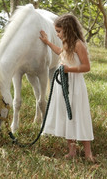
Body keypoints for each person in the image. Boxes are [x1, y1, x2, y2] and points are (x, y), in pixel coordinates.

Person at [39, 14, 94, 161]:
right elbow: (60, 52)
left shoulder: (78, 44)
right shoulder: (65, 44)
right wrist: (47, 42)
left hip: (75, 85)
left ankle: (88, 153)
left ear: (67, 30)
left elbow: (86, 66)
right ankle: (72, 151)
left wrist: (68, 70)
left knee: (79, 115)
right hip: (63, 84)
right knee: (66, 114)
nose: (57, 34)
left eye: (59, 31)